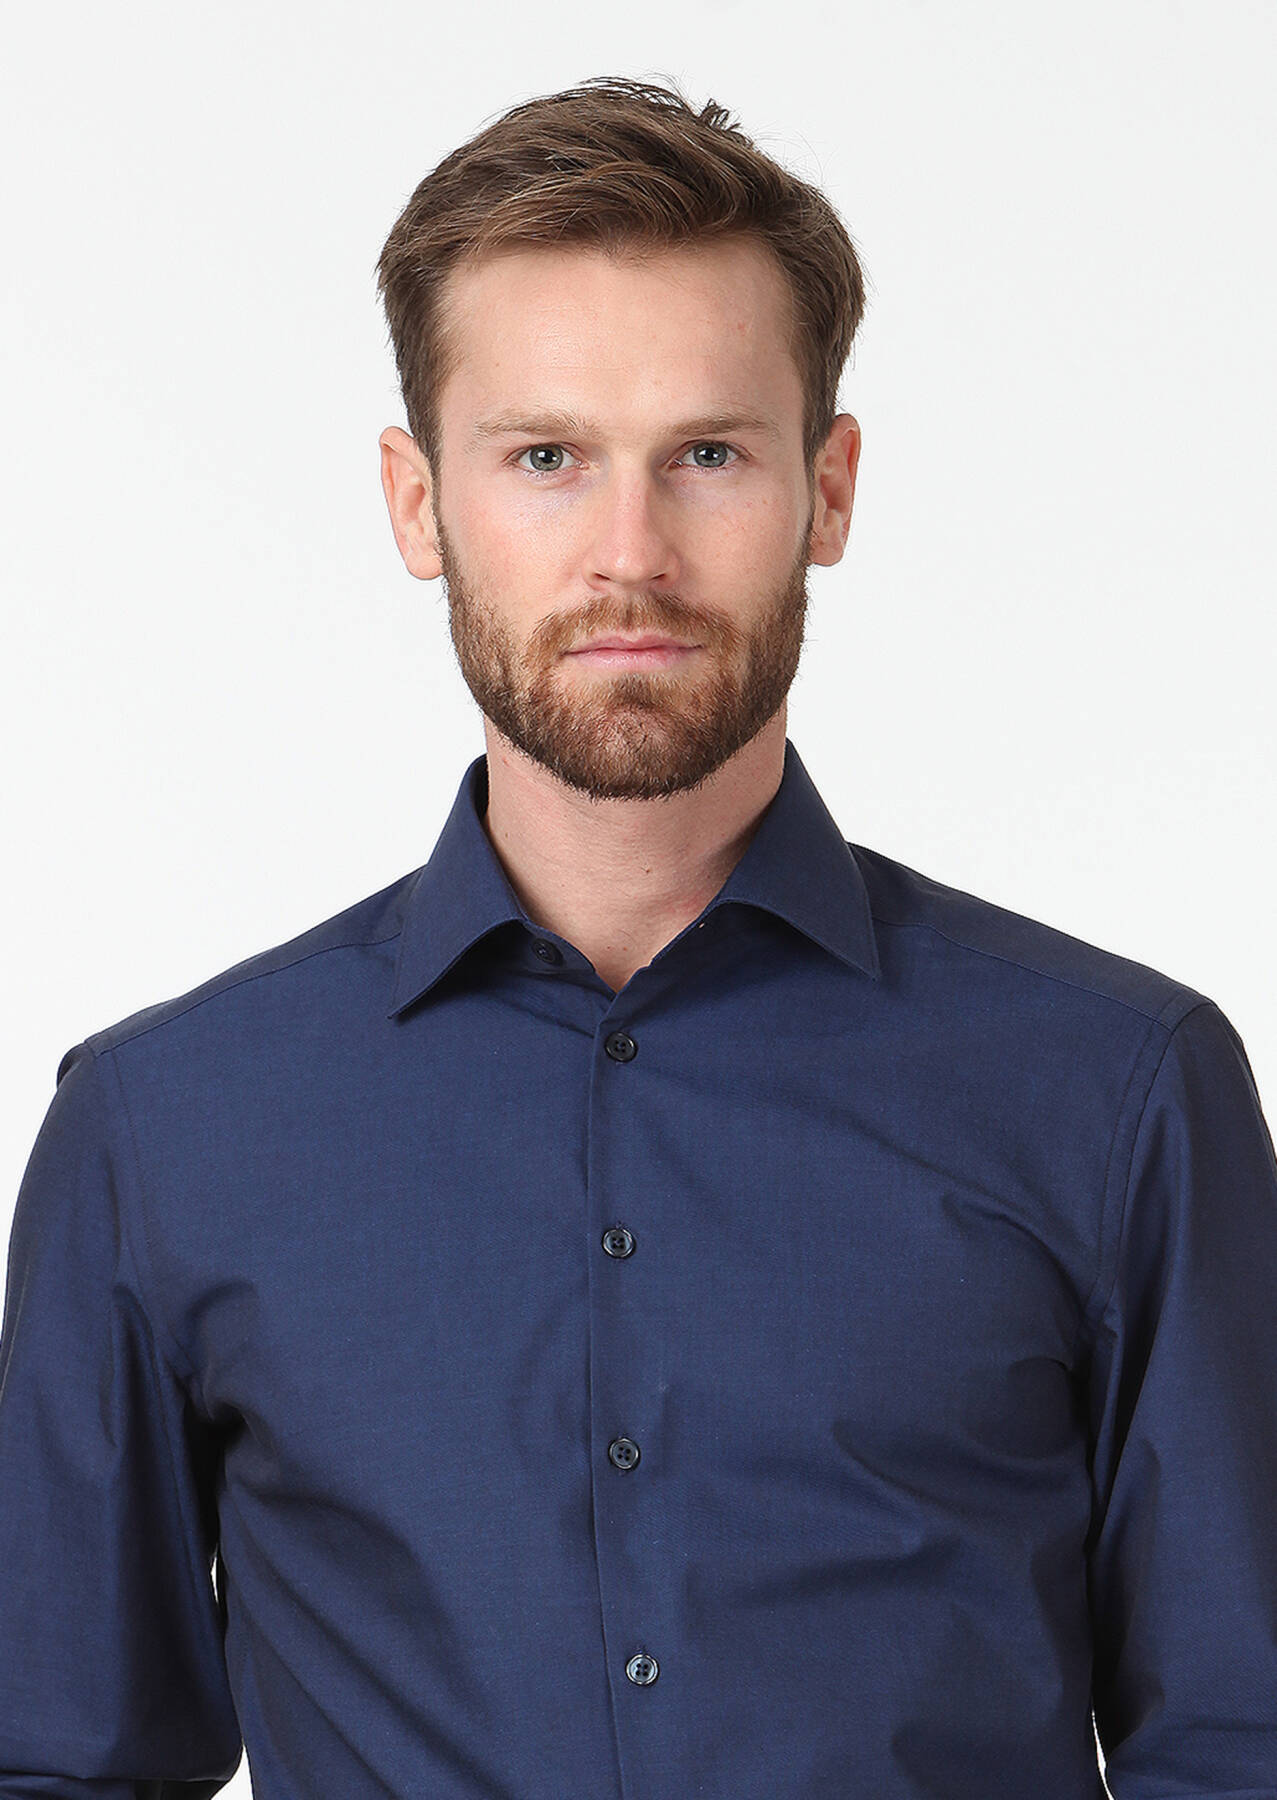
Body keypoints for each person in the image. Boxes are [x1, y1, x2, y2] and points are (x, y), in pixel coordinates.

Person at [1, 72, 1274, 1800]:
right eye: (545, 458)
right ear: (416, 503)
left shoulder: (1118, 1092)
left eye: (707, 455)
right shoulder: (163, 1129)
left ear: (827, 489)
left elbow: (1243, 1744)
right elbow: (59, 1764)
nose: (630, 555)